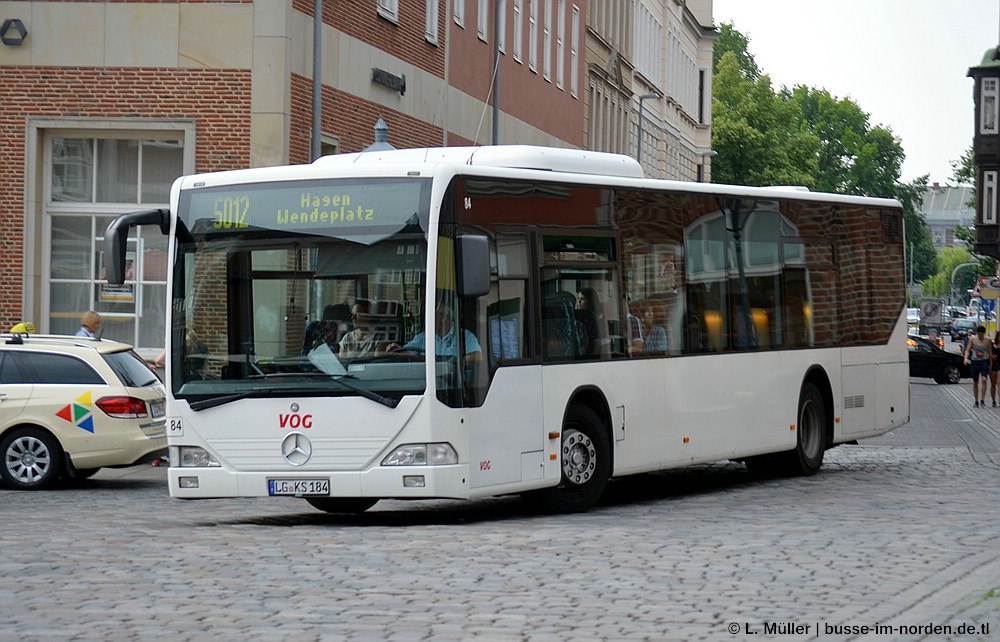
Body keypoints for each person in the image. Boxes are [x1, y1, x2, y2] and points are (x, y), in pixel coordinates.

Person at [393, 303, 482, 362]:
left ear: (444, 317)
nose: (428, 320)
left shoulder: (464, 336)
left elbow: (478, 357)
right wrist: (396, 350)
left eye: (433, 316)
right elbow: (407, 353)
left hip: (453, 384)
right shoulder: (423, 337)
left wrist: (456, 361)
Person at [963, 325, 993, 408]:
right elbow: (968, 349)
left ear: (984, 334)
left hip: (984, 361)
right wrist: (965, 358)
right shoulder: (972, 339)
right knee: (975, 382)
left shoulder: (988, 340)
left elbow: (990, 352)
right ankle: (976, 400)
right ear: (977, 334)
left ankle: (982, 400)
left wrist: (990, 364)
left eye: (982, 335)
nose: (980, 336)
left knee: (984, 379)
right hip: (975, 361)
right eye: (979, 334)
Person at [990, 331, 1000, 407]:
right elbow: (990, 353)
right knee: (993, 384)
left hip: (999, 364)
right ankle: (993, 401)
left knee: (999, 383)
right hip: (993, 365)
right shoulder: (993, 345)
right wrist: (992, 356)